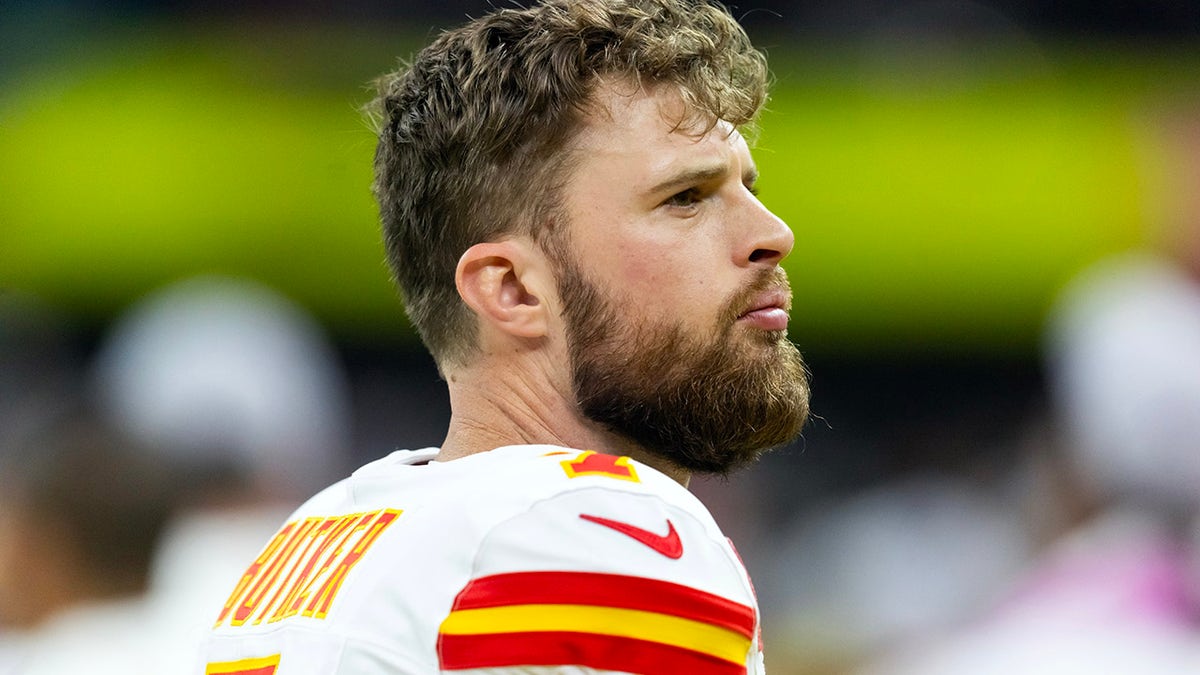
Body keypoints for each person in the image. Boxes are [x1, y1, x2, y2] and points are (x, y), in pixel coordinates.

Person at [197, 0, 810, 672]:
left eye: (747, 188)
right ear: (512, 289)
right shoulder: (597, 528)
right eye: (685, 197)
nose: (771, 234)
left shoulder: (310, 540)